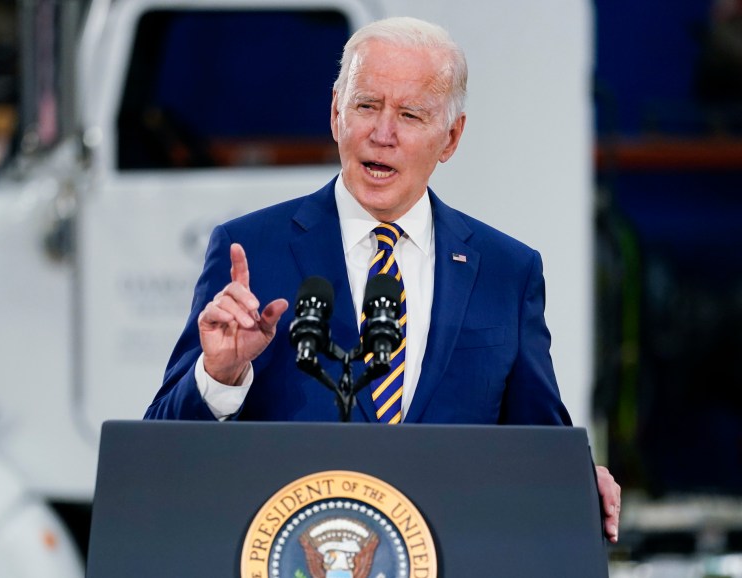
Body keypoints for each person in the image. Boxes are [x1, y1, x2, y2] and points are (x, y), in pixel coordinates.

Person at [144, 16, 621, 542]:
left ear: (451, 138)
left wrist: (574, 479)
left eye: (411, 114)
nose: (382, 133)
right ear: (335, 113)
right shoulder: (253, 249)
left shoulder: (506, 270)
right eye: (367, 106)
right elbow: (160, 452)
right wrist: (219, 376)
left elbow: (540, 439)